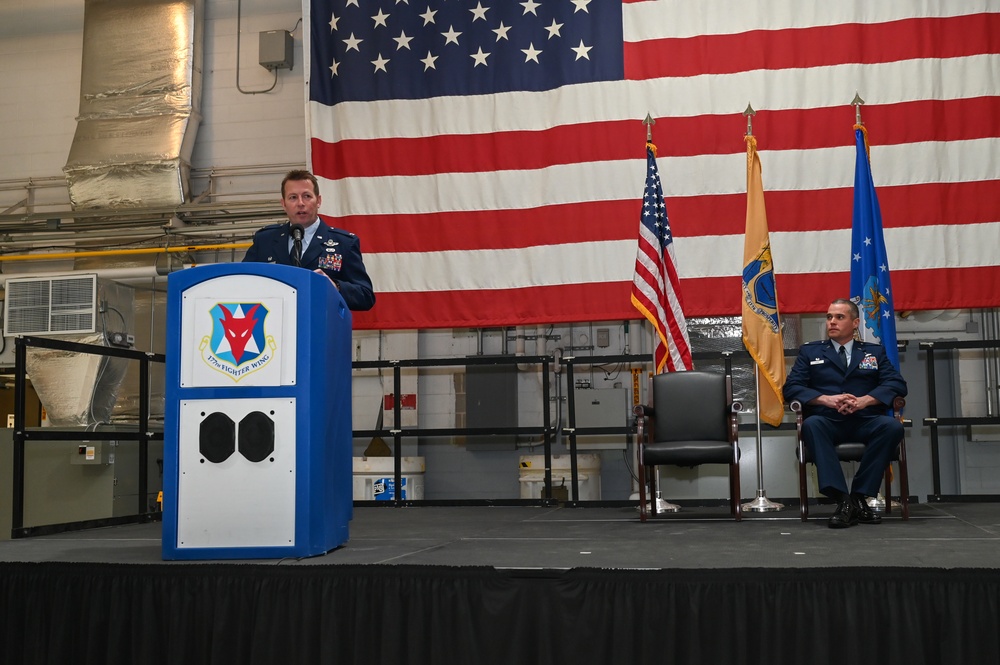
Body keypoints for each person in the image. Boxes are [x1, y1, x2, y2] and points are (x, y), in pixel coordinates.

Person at [784, 298, 907, 529]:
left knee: (892, 426)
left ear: (855, 323)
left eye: (839, 317)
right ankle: (842, 499)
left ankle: (859, 496)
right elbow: (791, 388)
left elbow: (896, 384)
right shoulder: (810, 352)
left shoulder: (874, 352)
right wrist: (826, 400)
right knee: (812, 425)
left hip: (865, 419)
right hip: (828, 420)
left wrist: (864, 401)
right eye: (829, 317)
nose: (832, 322)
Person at [242, 169, 375, 311]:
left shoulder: (344, 243)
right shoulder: (265, 240)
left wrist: (335, 286)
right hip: (273, 328)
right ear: (283, 204)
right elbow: (243, 283)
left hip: (321, 328)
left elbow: (365, 296)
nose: (300, 203)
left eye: (307, 196)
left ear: (318, 201)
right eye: (293, 197)